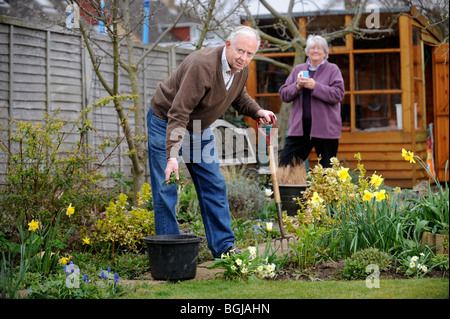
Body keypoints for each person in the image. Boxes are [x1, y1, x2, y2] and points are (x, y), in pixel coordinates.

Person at [147, 26, 275, 258]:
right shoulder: (202, 65)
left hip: (198, 126)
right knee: (168, 185)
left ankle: (223, 247)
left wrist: (257, 111)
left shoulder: (240, 68)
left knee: (214, 183)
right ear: (227, 44)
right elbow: (178, 112)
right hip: (166, 121)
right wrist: (172, 156)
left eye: (250, 54)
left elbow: (238, 95)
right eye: (240, 51)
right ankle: (171, 254)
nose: (244, 58)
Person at [278, 35, 345, 168]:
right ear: (307, 51)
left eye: (319, 48)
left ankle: (325, 190)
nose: (315, 51)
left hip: (326, 129)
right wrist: (296, 86)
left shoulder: (333, 69)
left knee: (327, 171)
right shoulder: (298, 69)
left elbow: (338, 94)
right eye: (312, 48)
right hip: (300, 129)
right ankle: (286, 189)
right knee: (285, 166)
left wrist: (315, 86)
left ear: (325, 52)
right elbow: (284, 94)